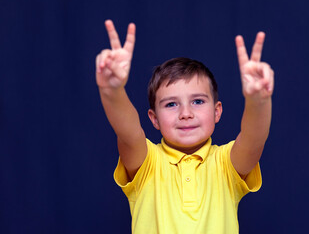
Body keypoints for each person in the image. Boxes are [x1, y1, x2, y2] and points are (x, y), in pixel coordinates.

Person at [95, 19, 274, 234]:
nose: (186, 114)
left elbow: (254, 138)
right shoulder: (147, 162)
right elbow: (128, 132)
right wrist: (111, 90)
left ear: (217, 111)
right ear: (154, 119)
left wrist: (258, 100)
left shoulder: (226, 164)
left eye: (198, 101)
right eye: (171, 104)